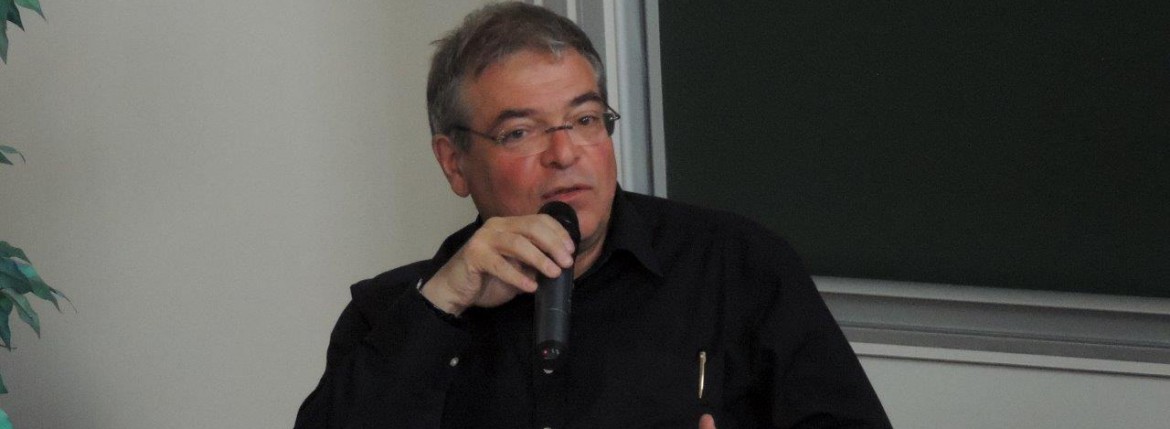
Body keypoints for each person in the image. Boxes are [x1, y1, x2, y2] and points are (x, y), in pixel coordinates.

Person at [295, 3, 891, 428]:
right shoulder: (391, 315)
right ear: (455, 163)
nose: (565, 154)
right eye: (520, 131)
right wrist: (442, 302)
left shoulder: (737, 267)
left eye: (584, 120)